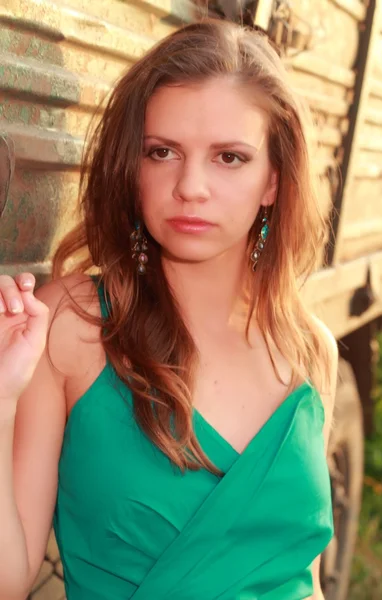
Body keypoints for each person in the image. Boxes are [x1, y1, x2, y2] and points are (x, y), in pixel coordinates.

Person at [0, 18, 338, 600]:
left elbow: (299, 577)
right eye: (163, 152)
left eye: (229, 158)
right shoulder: (74, 323)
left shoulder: (312, 350)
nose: (190, 186)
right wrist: (2, 399)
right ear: (133, 169)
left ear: (273, 182)